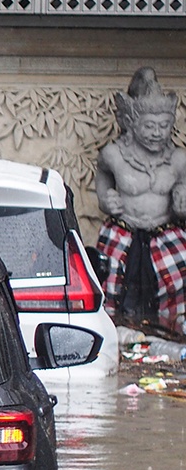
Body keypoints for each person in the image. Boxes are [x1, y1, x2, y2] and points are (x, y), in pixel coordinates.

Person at [94, 67, 186, 333]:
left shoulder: (179, 159)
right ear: (132, 124)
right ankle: (118, 335)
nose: (157, 133)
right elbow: (102, 175)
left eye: (164, 126)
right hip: (123, 235)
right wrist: (105, 199)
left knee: (175, 291)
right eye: (149, 126)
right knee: (114, 290)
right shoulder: (113, 155)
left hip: (165, 237)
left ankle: (171, 334)